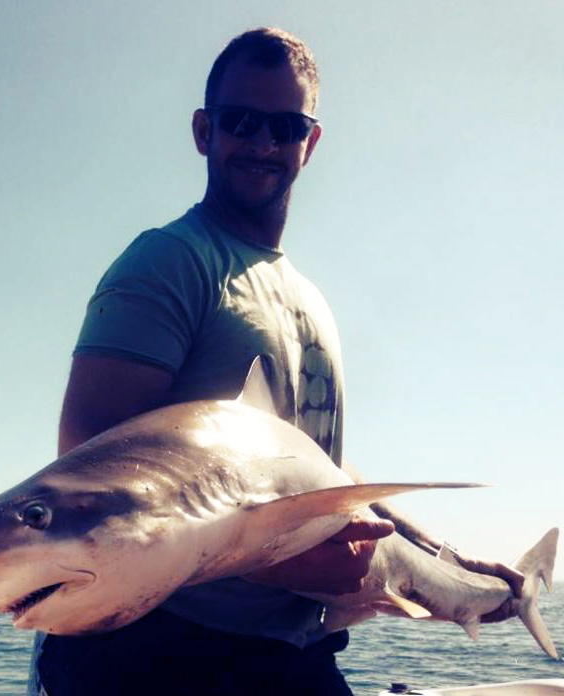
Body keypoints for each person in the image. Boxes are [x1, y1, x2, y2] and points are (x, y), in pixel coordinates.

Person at [29, 27, 523, 696]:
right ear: (204, 130)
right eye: (241, 120)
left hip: (291, 653)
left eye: (286, 126)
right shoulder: (169, 262)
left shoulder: (306, 297)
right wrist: (281, 560)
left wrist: (449, 559)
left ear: (310, 143)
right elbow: (89, 468)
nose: (263, 143)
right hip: (161, 653)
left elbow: (319, 467)